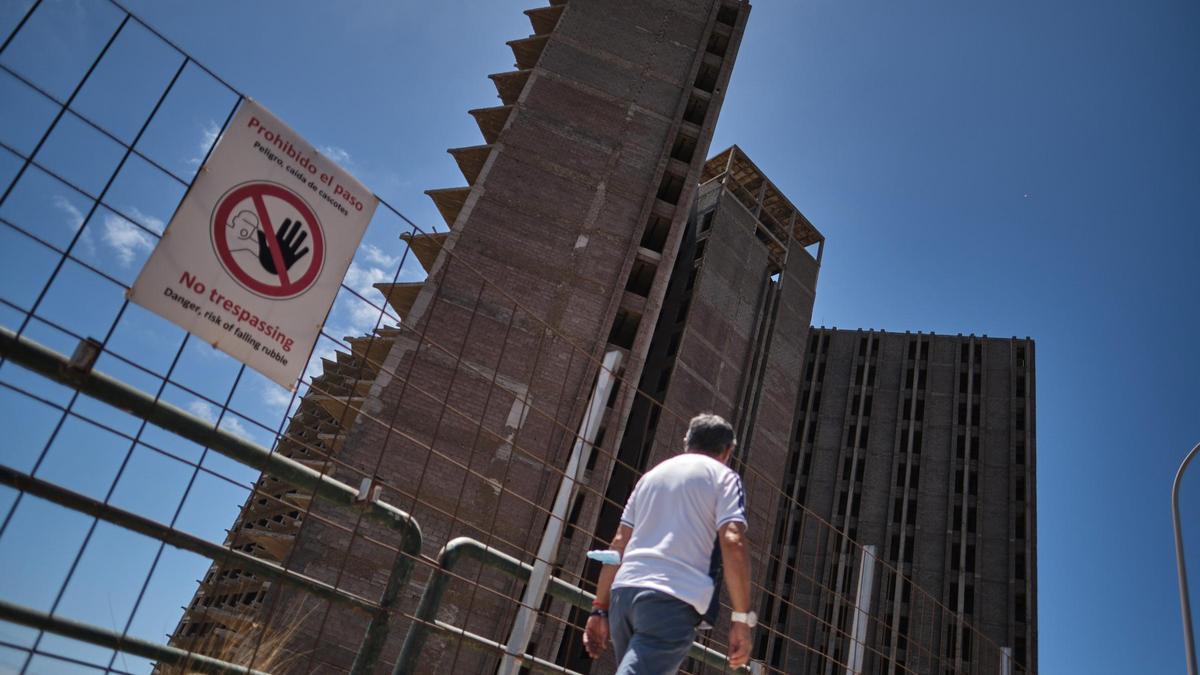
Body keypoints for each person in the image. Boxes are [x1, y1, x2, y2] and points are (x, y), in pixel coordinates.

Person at [583, 413, 756, 673]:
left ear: (687, 442)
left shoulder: (650, 478)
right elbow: (732, 541)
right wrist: (742, 617)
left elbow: (618, 544)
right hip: (671, 600)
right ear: (727, 451)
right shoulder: (725, 478)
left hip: (624, 596)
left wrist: (599, 608)